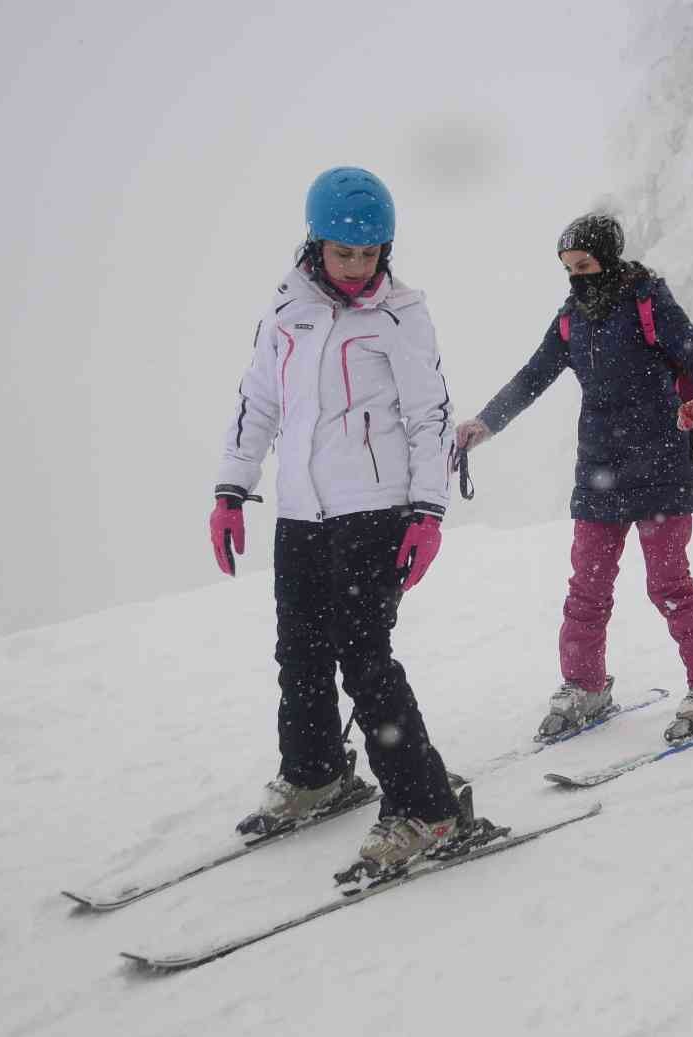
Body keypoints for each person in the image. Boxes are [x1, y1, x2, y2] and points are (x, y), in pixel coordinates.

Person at [210, 166, 463, 868]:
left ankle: (425, 807)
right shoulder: (287, 308)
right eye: (344, 252)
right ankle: (316, 770)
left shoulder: (401, 314)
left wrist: (428, 511)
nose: (357, 267)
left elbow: (429, 416)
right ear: (316, 243)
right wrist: (232, 487)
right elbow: (259, 400)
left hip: (373, 512)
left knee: (366, 660)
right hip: (300, 513)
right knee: (300, 653)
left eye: (370, 253)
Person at [454, 213, 693, 745]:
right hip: (599, 474)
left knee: (669, 586)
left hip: (660, 467)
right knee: (586, 589)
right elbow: (533, 374)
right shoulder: (572, 319)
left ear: (607, 260)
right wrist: (487, 421)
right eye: (567, 269)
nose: (576, 277)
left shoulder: (648, 301)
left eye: (584, 266)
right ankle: (584, 686)